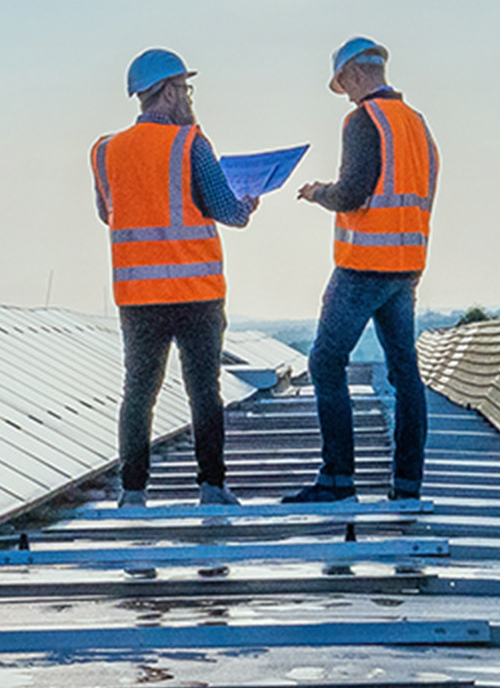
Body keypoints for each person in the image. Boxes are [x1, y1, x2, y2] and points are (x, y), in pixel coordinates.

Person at [92, 48, 258, 508]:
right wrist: (247, 203)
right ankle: (211, 487)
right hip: (195, 292)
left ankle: (133, 493)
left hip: (137, 296)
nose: (188, 97)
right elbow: (229, 213)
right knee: (204, 390)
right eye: (184, 88)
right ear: (166, 92)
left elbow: (108, 214)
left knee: (138, 393)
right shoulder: (191, 144)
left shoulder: (106, 151)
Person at [284, 38, 438, 504]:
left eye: (343, 84)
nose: (346, 94)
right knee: (404, 371)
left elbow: (352, 193)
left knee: (325, 362)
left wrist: (316, 193)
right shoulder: (416, 124)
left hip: (363, 264)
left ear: (352, 74)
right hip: (406, 266)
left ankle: (336, 480)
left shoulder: (362, 120)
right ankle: (407, 485)